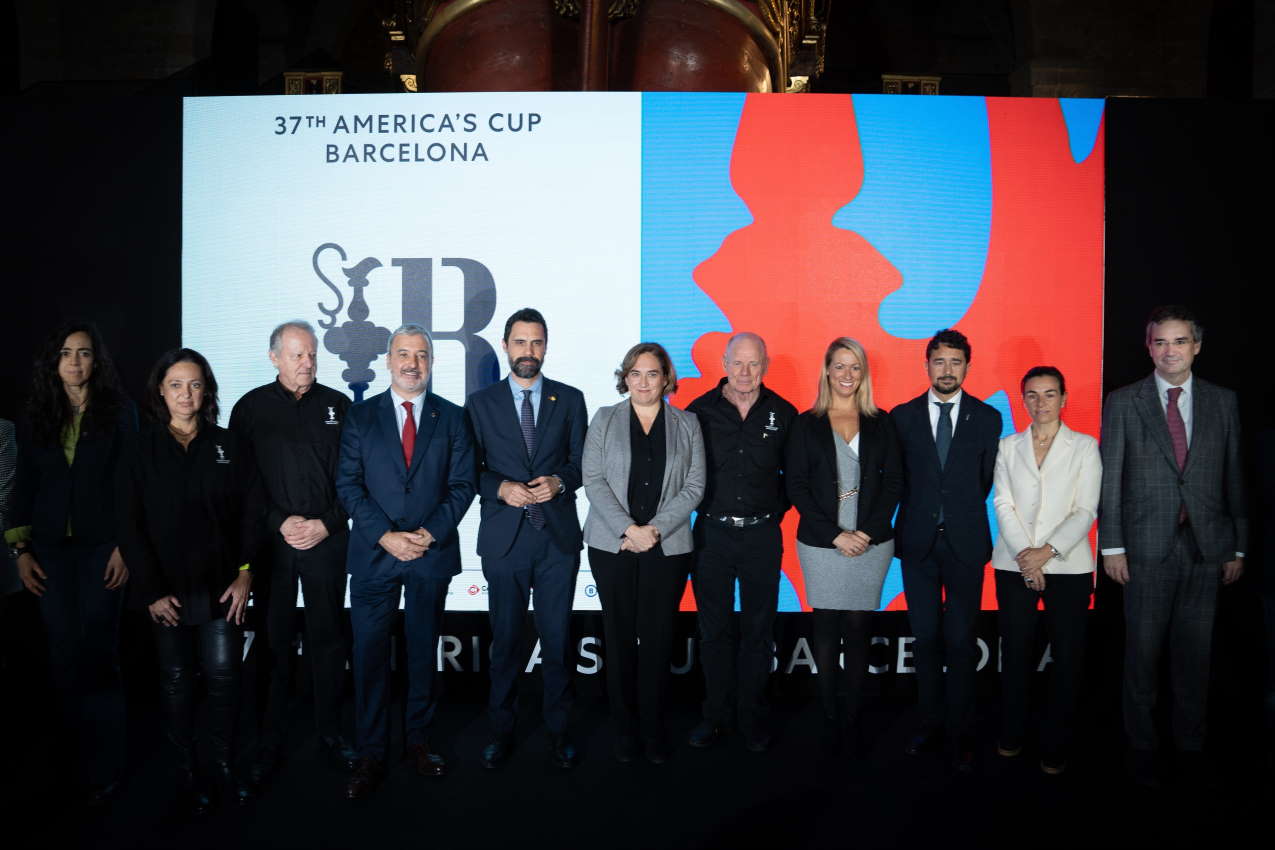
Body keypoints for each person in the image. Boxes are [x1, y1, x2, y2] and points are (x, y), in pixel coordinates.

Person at [1099, 305, 1246, 788]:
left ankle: (1190, 744)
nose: (1170, 351)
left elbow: (1234, 479)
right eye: (1160, 342)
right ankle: (1140, 746)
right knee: (1141, 655)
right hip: (1142, 550)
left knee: (1195, 654)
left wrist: (1237, 548)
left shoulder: (1223, 402)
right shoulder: (1124, 401)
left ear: (1196, 347)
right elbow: (1112, 479)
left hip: (1207, 549)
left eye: (1179, 341)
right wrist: (1113, 547)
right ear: (1149, 347)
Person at [120, 348, 265, 815]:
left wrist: (246, 573)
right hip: (166, 594)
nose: (187, 394)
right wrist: (150, 591)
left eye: (195, 384)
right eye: (177, 385)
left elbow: (252, 514)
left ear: (207, 391)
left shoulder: (230, 445)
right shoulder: (140, 449)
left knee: (225, 678)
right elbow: (130, 525)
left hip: (223, 588)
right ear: (161, 391)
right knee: (178, 681)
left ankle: (222, 764)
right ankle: (186, 771)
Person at [335, 324, 476, 799]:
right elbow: (348, 486)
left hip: (428, 554)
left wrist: (428, 534)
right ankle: (370, 752)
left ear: (431, 363)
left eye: (420, 355)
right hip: (375, 556)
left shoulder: (452, 418)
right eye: (403, 354)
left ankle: (418, 741)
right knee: (369, 657)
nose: (412, 363)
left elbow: (462, 486)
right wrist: (386, 536)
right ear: (388, 360)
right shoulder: (360, 417)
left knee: (422, 653)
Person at [6, 321, 135, 805]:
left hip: (104, 549)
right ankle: (67, 764)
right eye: (65, 353)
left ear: (95, 360)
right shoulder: (36, 413)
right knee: (62, 656)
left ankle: (106, 766)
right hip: (49, 555)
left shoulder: (120, 412)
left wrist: (126, 546)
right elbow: (24, 487)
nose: (75, 362)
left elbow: (129, 483)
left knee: (100, 654)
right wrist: (20, 551)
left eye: (83, 353)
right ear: (53, 361)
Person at [229, 320, 356, 783]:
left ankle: (330, 733)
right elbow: (242, 485)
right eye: (298, 355)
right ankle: (269, 739)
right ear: (275, 358)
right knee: (273, 642)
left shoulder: (338, 406)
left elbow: (354, 478)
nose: (307, 363)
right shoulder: (249, 410)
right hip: (273, 546)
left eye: (312, 355)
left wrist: (326, 523)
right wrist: (279, 522)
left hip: (327, 541)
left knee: (328, 640)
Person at [465, 308, 587, 769]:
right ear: (505, 345)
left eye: (536, 343)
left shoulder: (570, 400)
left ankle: (558, 731)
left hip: (555, 540)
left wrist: (559, 482)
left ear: (546, 347)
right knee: (507, 642)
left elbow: (580, 464)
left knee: (556, 641)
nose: (528, 352)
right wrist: (499, 487)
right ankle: (501, 731)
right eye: (520, 343)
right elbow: (468, 471)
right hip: (505, 540)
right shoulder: (480, 404)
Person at [584, 342, 704, 763]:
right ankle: (624, 731)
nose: (644, 382)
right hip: (611, 545)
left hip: (665, 546)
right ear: (626, 377)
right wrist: (627, 529)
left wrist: (652, 530)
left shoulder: (688, 423)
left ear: (666, 378)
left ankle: (653, 730)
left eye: (652, 374)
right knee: (618, 639)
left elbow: (694, 486)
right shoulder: (604, 419)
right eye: (636, 373)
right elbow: (593, 479)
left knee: (656, 641)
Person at [891, 328, 1001, 773]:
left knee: (959, 642)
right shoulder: (901, 417)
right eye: (940, 361)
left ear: (967, 367)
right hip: (917, 546)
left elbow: (985, 481)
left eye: (956, 362)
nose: (948, 369)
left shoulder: (988, 418)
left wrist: (954, 513)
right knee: (926, 640)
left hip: (965, 546)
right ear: (927, 365)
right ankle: (928, 725)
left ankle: (960, 732)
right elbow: (897, 479)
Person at [787, 338, 901, 753]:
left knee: (857, 629)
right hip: (821, 543)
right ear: (827, 371)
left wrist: (865, 533)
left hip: (871, 543)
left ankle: (852, 715)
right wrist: (835, 534)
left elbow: (894, 484)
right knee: (825, 626)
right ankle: (827, 713)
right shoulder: (806, 423)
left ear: (863, 373)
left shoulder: (881, 422)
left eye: (855, 367)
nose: (847, 375)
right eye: (839, 366)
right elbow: (795, 485)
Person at [685, 332, 796, 752]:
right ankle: (713, 716)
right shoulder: (698, 413)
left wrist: (771, 512)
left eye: (753, 364)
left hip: (762, 536)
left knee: (757, 630)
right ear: (724, 363)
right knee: (713, 631)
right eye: (738, 363)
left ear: (764, 364)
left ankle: (751, 718)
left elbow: (795, 478)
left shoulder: (784, 413)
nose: (745, 372)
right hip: (711, 534)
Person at [991, 366, 1100, 775]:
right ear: (1023, 400)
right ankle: (1012, 733)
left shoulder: (1085, 447)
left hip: (1068, 566)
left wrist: (1046, 555)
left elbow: (1085, 509)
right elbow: (1003, 504)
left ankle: (1056, 743)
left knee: (1067, 659)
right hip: (1013, 563)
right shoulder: (1007, 447)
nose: (1041, 403)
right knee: (1015, 654)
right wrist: (1026, 556)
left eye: (1050, 394)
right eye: (1032, 395)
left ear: (1064, 398)